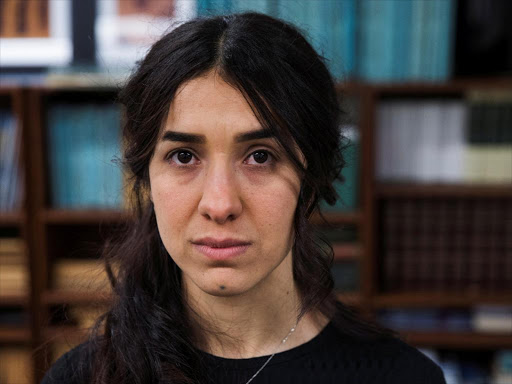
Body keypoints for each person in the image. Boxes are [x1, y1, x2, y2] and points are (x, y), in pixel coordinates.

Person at [42, 12, 446, 384]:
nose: (219, 205)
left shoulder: (402, 376)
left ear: (312, 177)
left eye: (259, 157)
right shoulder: (81, 376)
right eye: (184, 156)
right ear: (146, 176)